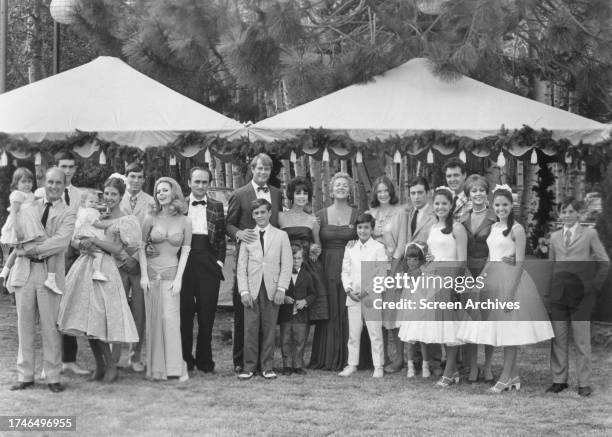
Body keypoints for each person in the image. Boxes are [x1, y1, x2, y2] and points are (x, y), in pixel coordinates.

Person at [459, 185, 554, 393]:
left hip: (510, 281)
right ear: (493, 206)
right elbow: (491, 256)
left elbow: (519, 263)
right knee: (497, 328)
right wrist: (480, 280)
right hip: (491, 278)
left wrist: (511, 292)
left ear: (512, 206)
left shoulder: (517, 229)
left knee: (510, 329)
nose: (501, 208)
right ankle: (515, 375)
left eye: (505, 205)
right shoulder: (493, 228)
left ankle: (504, 378)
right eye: (498, 205)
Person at [58, 177, 140, 383]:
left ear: (121, 196)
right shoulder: (95, 215)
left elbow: (119, 248)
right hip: (85, 267)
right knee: (87, 319)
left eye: (114, 194)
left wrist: (94, 240)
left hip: (105, 270)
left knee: (100, 318)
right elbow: (76, 238)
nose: (110, 198)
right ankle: (100, 366)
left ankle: (111, 365)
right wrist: (80, 244)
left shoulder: (126, 220)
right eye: (107, 194)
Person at [8, 167, 76, 393]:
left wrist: (30, 250)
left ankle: (53, 376)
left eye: (58, 182)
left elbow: (60, 243)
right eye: (50, 182)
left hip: (50, 275)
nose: (54, 186)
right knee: (24, 326)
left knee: (50, 327)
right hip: (24, 273)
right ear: (44, 182)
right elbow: (15, 228)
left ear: (64, 185)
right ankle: (25, 375)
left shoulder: (68, 212)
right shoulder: (31, 202)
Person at [403, 186, 467, 387]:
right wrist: (429, 260)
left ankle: (448, 373)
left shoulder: (457, 228)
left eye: (444, 203)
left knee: (450, 326)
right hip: (431, 278)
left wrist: (456, 284)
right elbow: (432, 252)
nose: (440, 207)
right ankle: (453, 371)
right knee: (439, 325)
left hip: (449, 278)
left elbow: (462, 260)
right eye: (437, 203)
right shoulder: (433, 227)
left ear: (451, 205)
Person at [546, 197, 609, 397]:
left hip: (581, 295)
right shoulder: (554, 237)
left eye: (571, 211)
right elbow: (551, 266)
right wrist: (548, 292)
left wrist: (593, 286)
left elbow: (604, 262)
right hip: (559, 295)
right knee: (558, 338)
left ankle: (584, 382)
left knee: (582, 340)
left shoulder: (589, 234)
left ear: (578, 214)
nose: (566, 215)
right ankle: (559, 380)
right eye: (563, 212)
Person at [226, 153, 282, 373]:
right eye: (259, 169)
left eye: (267, 169)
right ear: (252, 169)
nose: (263, 173)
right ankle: (241, 360)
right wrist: (240, 233)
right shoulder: (239, 194)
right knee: (244, 311)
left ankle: (264, 362)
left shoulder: (276, 194)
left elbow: (277, 223)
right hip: (247, 260)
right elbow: (228, 224)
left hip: (270, 260)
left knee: (267, 312)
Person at [35, 152, 88, 376]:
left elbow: (82, 225)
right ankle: (50, 363)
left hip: (71, 258)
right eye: (63, 166)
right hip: (46, 259)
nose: (66, 171)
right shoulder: (40, 194)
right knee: (48, 313)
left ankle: (69, 359)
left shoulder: (80, 195)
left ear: (75, 170)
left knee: (69, 309)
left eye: (70, 167)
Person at [139, 177, 192, 381]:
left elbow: (186, 251)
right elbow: (140, 247)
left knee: (171, 321)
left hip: (172, 276)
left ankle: (177, 368)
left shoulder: (185, 221)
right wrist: (144, 275)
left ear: (174, 193)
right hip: (151, 277)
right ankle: (157, 369)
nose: (161, 194)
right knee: (155, 322)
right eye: (158, 191)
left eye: (165, 190)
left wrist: (179, 278)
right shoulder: (149, 218)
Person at [236, 199, 292, 380]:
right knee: (250, 328)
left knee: (269, 328)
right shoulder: (248, 236)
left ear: (269, 213)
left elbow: (287, 264)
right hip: (252, 289)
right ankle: (249, 366)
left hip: (272, 288)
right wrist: (243, 291)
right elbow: (241, 266)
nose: (259, 216)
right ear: (252, 215)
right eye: (256, 213)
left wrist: (282, 288)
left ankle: (267, 366)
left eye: (262, 212)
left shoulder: (281, 236)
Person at [309, 172, 359, 371]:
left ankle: (352, 357)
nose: (341, 187)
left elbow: (365, 237)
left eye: (344, 185)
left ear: (349, 191)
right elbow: (316, 244)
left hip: (351, 267)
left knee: (350, 309)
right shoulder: (320, 215)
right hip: (328, 266)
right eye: (337, 185)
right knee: (331, 308)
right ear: (331, 190)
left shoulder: (357, 214)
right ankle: (328, 355)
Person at [181, 167, 226, 373]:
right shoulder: (179, 204)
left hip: (208, 261)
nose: (200, 186)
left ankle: (205, 361)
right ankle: (185, 360)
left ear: (209, 184)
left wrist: (219, 262)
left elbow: (221, 238)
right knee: (185, 313)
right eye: (196, 181)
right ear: (189, 182)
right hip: (184, 261)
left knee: (207, 313)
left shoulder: (217, 206)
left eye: (204, 182)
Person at [339, 213, 388, 378]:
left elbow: (382, 273)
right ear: (356, 229)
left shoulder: (379, 247)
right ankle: (352, 364)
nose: (363, 230)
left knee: (375, 333)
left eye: (366, 227)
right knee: (353, 333)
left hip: (371, 296)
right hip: (353, 296)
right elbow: (345, 271)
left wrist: (368, 290)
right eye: (360, 227)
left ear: (372, 229)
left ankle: (378, 366)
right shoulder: (350, 247)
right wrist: (348, 289)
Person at [459, 174, 497, 383]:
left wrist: (483, 275)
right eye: (474, 190)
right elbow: (460, 248)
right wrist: (464, 272)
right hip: (467, 273)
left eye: (481, 190)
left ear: (486, 193)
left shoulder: (495, 218)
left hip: (488, 272)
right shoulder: (462, 219)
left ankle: (489, 365)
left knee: (488, 320)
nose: (478, 193)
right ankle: (473, 367)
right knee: (470, 320)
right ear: (468, 195)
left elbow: (496, 248)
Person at [0, 167, 63, 295]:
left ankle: (4, 272)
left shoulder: (29, 195)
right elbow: (13, 212)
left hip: (31, 227)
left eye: (29, 181)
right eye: (23, 181)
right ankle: (50, 279)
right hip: (23, 228)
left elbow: (38, 201)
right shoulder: (17, 195)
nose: (27, 184)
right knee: (50, 245)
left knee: (19, 250)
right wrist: (17, 228)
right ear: (16, 183)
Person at [366, 176, 404, 372]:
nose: (382, 194)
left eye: (385, 191)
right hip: (373, 269)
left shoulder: (400, 212)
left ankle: (400, 358)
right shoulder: (369, 213)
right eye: (379, 191)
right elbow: (363, 238)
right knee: (377, 314)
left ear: (391, 191)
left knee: (393, 313)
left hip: (394, 267)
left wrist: (393, 268)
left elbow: (402, 243)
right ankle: (382, 356)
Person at [278, 177, 328, 329]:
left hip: (306, 267)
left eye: (305, 193)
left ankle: (301, 344)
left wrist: (315, 249)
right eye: (297, 193)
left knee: (304, 309)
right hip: (285, 264)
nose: (301, 196)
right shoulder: (280, 217)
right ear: (291, 195)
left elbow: (317, 243)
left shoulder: (313, 219)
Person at [118, 162, 153, 372]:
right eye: (132, 176)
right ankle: (114, 356)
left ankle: (135, 356)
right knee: (116, 309)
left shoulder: (150, 202)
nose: (137, 181)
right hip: (119, 263)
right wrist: (124, 257)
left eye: (140, 177)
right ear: (126, 177)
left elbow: (152, 233)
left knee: (139, 313)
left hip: (141, 265)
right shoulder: (115, 198)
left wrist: (138, 259)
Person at [278, 245, 316, 376]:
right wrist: (283, 297)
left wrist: (305, 301)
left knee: (300, 340)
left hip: (301, 315)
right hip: (286, 314)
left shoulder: (308, 275)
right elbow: (277, 291)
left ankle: (298, 365)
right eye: (293, 258)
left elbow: (313, 294)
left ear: (303, 259)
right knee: (285, 340)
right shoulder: (282, 274)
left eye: (299, 258)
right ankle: (287, 365)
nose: (296, 261)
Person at [398, 242, 433, 378]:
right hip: (409, 310)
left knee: (422, 338)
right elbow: (401, 289)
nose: (412, 262)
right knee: (410, 339)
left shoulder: (424, 273)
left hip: (421, 310)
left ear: (420, 260)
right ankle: (410, 365)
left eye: (415, 259)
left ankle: (425, 365)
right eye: (409, 259)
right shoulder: (405, 274)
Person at [73, 191, 109, 282]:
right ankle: (96, 271)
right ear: (84, 202)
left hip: (83, 235)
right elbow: (96, 224)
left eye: (96, 202)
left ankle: (90, 267)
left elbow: (94, 220)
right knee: (98, 253)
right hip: (89, 236)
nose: (94, 204)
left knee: (89, 254)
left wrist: (101, 217)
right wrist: (107, 225)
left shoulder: (84, 211)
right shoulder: (90, 212)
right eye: (91, 201)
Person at [443, 158, 469, 222]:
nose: (452, 179)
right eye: (449, 176)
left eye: (456, 175)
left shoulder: (473, 200)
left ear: (464, 175)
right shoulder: (445, 198)